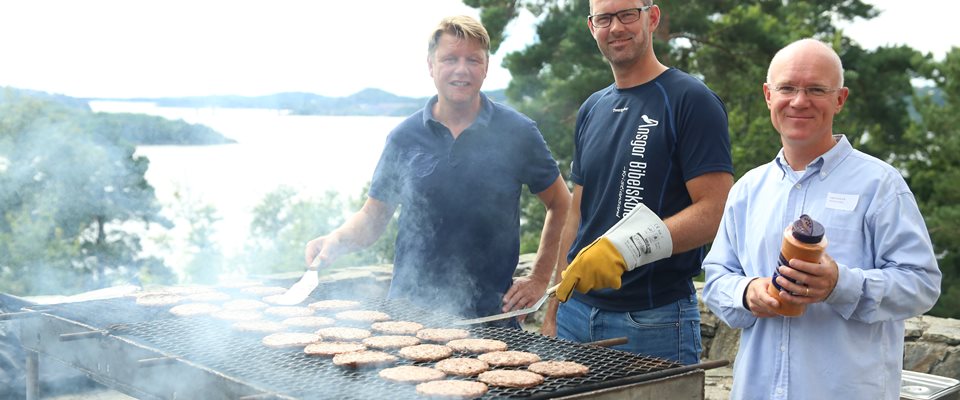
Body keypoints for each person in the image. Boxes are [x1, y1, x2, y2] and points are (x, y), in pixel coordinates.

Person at [701, 38, 941, 400]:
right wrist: (747, 292)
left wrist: (840, 285)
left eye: (815, 89)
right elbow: (717, 277)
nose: (799, 101)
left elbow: (922, 283)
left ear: (839, 99)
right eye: (787, 88)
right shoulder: (748, 189)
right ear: (768, 95)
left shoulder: (880, 185)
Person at [303, 15, 570, 326]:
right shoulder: (404, 137)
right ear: (431, 65)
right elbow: (373, 217)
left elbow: (561, 204)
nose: (461, 69)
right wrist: (336, 239)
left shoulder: (518, 132)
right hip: (408, 315)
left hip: (490, 316)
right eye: (450, 59)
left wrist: (539, 278)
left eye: (473, 59)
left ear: (485, 67)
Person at [544, 0, 734, 365]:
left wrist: (624, 249)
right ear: (591, 26)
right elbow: (576, 212)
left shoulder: (691, 99)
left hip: (654, 321)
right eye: (604, 18)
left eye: (627, 14)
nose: (616, 27)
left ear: (653, 16)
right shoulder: (592, 108)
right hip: (575, 315)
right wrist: (555, 307)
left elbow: (715, 210)